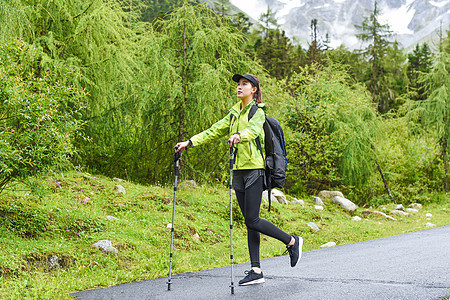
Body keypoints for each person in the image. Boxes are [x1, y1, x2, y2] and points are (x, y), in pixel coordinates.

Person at [175, 73, 303, 286]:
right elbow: (214, 130)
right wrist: (189, 142)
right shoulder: (234, 113)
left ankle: (291, 240)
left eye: (245, 84)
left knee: (253, 219)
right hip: (238, 171)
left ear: (254, 89)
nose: (239, 87)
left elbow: (253, 131)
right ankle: (256, 270)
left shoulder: (258, 112)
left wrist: (239, 136)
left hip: (254, 170)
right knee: (250, 222)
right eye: (238, 84)